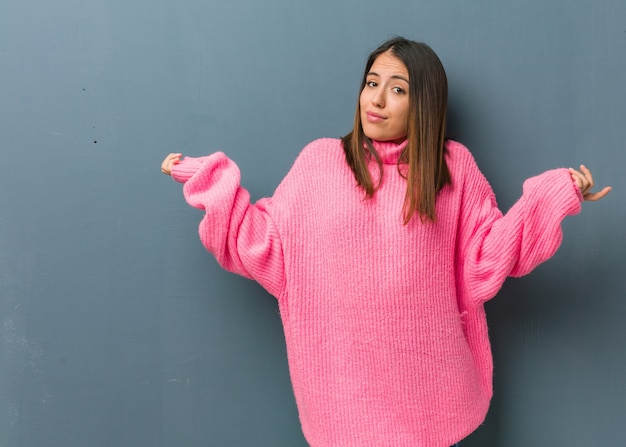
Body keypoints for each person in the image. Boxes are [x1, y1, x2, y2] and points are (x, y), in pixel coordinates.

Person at [161, 37, 610, 447]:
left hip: (431, 398)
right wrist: (208, 180)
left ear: (424, 103)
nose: (376, 99)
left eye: (397, 88)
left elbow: (487, 257)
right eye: (372, 82)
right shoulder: (320, 163)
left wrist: (556, 195)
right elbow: (269, 247)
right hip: (342, 402)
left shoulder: (450, 168)